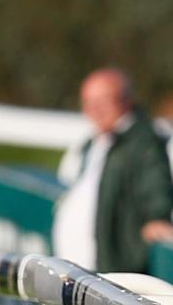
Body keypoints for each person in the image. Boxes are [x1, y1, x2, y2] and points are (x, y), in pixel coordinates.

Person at [53, 68, 173, 272]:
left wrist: (157, 216)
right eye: (89, 103)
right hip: (83, 272)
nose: (95, 110)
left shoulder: (143, 142)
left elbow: (155, 180)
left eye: (104, 101)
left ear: (125, 100)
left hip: (114, 273)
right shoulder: (94, 143)